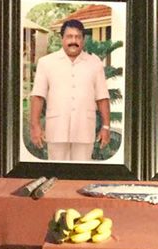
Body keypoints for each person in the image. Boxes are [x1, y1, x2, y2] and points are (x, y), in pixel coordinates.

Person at [29, 18, 111, 161]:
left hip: (84, 129)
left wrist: (106, 127)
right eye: (69, 36)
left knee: (82, 170)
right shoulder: (46, 63)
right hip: (56, 129)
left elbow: (102, 97)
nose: (74, 41)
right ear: (62, 38)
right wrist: (35, 125)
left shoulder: (94, 63)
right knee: (57, 170)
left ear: (83, 39)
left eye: (78, 37)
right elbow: (38, 96)